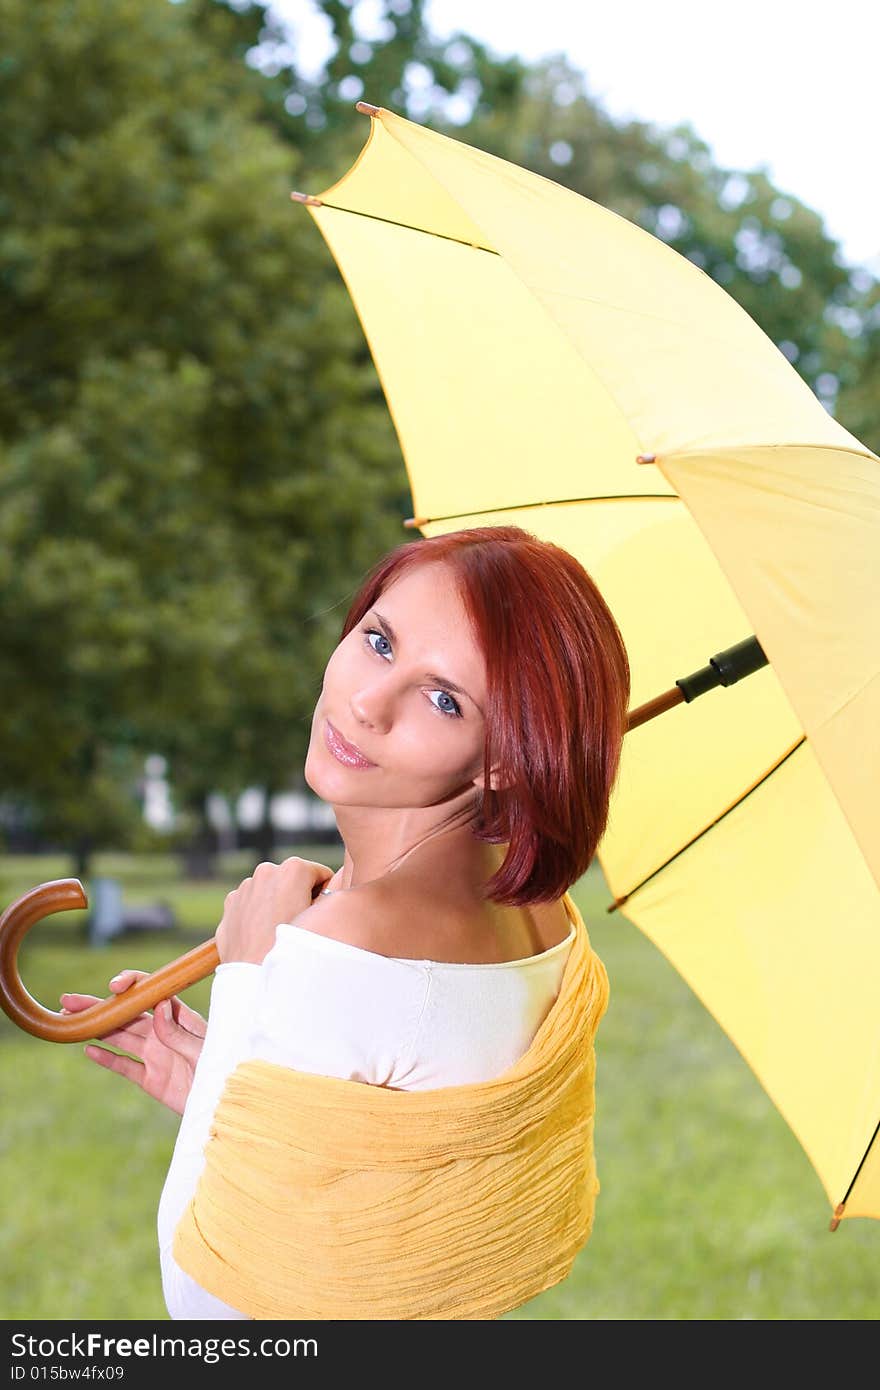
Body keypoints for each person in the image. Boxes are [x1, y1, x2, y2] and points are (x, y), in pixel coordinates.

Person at [60, 524, 631, 1320]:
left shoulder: (344, 947)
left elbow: (215, 1295)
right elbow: (390, 1174)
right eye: (379, 640)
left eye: (443, 698)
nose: (367, 702)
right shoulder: (542, 917)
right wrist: (235, 1096)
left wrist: (248, 979)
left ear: (505, 756)